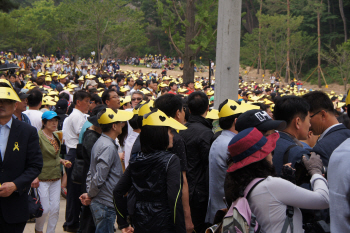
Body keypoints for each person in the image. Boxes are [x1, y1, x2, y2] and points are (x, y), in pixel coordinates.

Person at [224, 127, 329, 232]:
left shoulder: (243, 187)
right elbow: (323, 200)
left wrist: (288, 182)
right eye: (270, 151)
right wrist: (315, 172)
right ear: (262, 157)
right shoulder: (270, 185)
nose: (272, 155)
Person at [113, 109, 186, 233]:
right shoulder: (171, 160)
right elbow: (174, 198)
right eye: (169, 131)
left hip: (140, 221)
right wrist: (180, 229)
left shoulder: (136, 159)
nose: (173, 135)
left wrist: (123, 222)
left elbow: (118, 191)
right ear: (159, 134)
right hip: (164, 223)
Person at [205, 99, 259, 224]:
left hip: (219, 206)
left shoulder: (220, 139)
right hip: (228, 211)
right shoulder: (232, 144)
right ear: (236, 121)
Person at [80, 108, 133, 233]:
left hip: (103, 201)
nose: (123, 125)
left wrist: (90, 192)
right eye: (121, 122)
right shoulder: (107, 146)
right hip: (104, 203)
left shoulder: (103, 142)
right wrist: (90, 194)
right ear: (114, 126)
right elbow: (99, 176)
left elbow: (91, 172)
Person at [0, 84, 43, 232]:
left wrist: (15, 185)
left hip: (15, 206)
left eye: (6, 100)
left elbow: (35, 165)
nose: (1, 104)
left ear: (15, 104)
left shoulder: (27, 131)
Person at [154, 94, 194, 233]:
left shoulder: (150, 135)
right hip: (170, 207)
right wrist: (187, 217)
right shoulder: (175, 139)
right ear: (178, 113)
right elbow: (182, 179)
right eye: (183, 110)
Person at [179, 91, 213, 233]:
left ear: (189, 109)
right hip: (199, 193)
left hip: (183, 189)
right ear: (207, 109)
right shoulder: (206, 133)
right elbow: (208, 165)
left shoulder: (180, 131)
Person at [35, 111, 71, 233]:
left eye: (55, 120)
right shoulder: (38, 137)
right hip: (42, 177)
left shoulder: (56, 136)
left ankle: (51, 231)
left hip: (56, 177)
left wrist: (62, 161)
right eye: (50, 121)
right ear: (44, 122)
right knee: (44, 209)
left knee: (55, 208)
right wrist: (34, 176)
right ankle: (38, 229)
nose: (54, 123)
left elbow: (55, 157)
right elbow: (33, 157)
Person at [62, 90, 91, 232]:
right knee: (74, 191)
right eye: (86, 101)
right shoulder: (77, 116)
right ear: (78, 102)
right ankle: (72, 222)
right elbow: (84, 135)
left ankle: (72, 221)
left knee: (75, 190)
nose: (88, 104)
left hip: (74, 153)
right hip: (75, 153)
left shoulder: (76, 115)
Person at [302, 91, 350, 166]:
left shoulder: (321, 148)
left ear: (323, 115)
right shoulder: (347, 134)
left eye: (309, 117)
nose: (308, 123)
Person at [79, 106, 104, 233]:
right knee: (89, 212)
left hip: (92, 176)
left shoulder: (96, 134)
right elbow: (95, 160)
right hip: (91, 177)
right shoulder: (91, 136)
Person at [272, 96, 311, 176]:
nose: (310, 125)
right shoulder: (299, 153)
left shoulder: (265, 143)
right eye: (309, 120)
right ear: (297, 122)